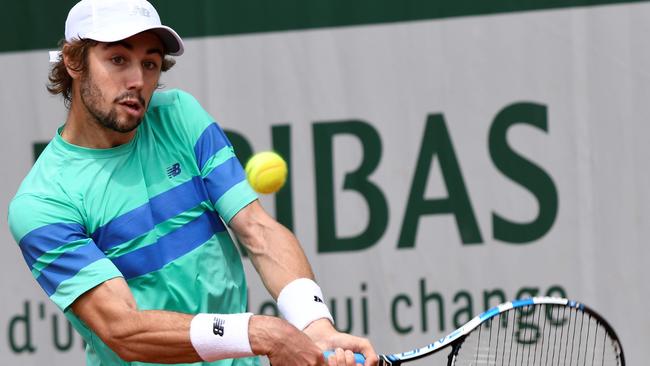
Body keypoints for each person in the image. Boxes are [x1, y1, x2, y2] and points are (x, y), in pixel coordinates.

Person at [7, 1, 378, 365]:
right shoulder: (43, 204)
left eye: (150, 63)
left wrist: (314, 324)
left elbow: (257, 229)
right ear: (73, 61)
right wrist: (260, 333)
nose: (137, 81)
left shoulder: (179, 116)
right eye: (118, 59)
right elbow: (123, 328)